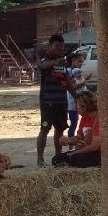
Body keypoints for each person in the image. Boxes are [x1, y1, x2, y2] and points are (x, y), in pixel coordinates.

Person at [36, 34, 72, 167]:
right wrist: (55, 62)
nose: (59, 49)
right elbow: (42, 65)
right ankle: (40, 159)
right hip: (47, 101)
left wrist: (76, 95)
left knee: (60, 130)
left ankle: (58, 158)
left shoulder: (62, 61)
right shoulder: (44, 57)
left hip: (62, 101)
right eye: (56, 46)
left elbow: (67, 80)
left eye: (61, 47)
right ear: (50, 46)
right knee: (44, 129)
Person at [55, 91, 101, 168]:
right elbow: (79, 138)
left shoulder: (99, 119)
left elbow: (94, 146)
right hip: (88, 151)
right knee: (57, 160)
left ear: (84, 106)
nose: (76, 108)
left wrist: (75, 153)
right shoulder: (84, 118)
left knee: (75, 158)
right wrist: (68, 140)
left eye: (77, 104)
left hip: (99, 153)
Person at [65, 53, 92, 149]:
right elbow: (71, 86)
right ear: (73, 61)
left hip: (82, 101)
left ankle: (84, 142)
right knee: (74, 123)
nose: (81, 64)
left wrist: (86, 79)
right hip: (73, 102)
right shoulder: (68, 72)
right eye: (79, 61)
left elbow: (79, 81)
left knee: (85, 121)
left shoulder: (77, 71)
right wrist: (83, 83)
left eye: (82, 62)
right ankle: (71, 145)